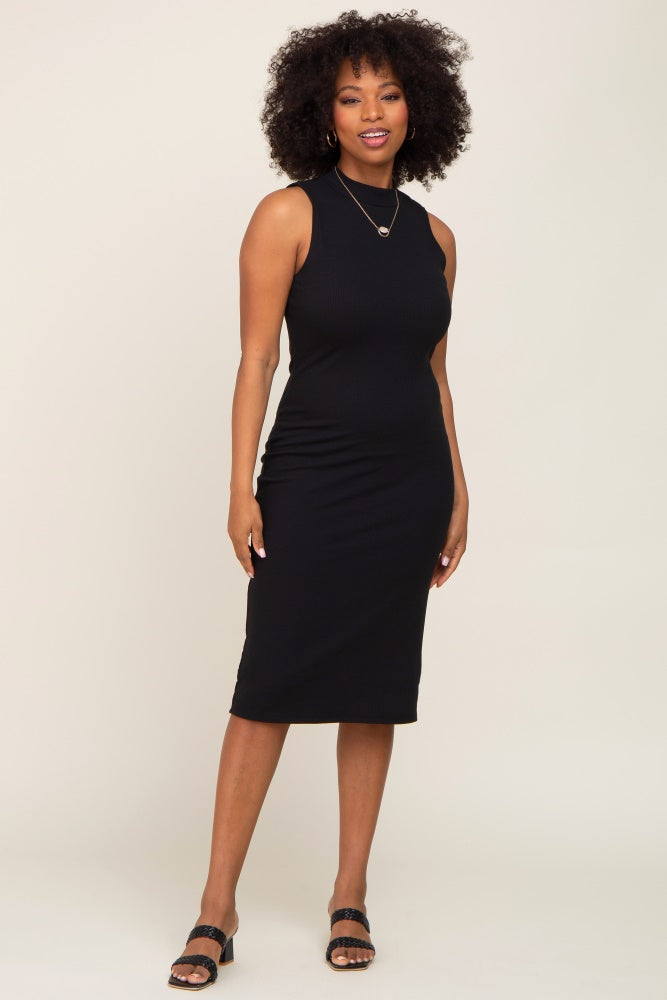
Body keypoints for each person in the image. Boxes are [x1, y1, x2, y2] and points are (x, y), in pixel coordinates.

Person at [167, 9, 472, 989]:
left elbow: (433, 370)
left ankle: (350, 893)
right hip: (310, 478)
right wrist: (239, 486)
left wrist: (458, 485)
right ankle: (216, 906)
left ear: (418, 105)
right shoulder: (288, 215)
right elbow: (257, 358)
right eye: (349, 97)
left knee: (376, 685)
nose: (371, 112)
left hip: (409, 484)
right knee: (268, 687)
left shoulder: (435, 237)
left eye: (388, 93)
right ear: (320, 112)